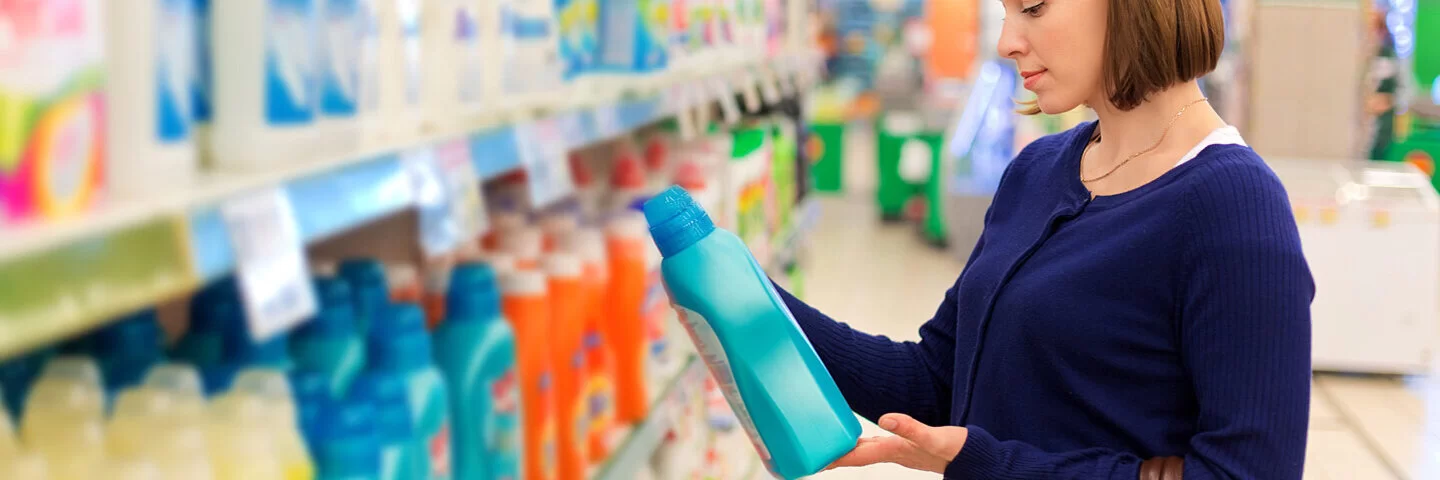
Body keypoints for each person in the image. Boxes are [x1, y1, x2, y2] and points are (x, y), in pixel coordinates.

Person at [774, 0, 1315, 477]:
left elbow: (1244, 472)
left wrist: (991, 464)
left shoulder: (1233, 205)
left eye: (1033, 8)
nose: (1007, 42)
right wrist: (753, 298)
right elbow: (938, 382)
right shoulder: (1039, 168)